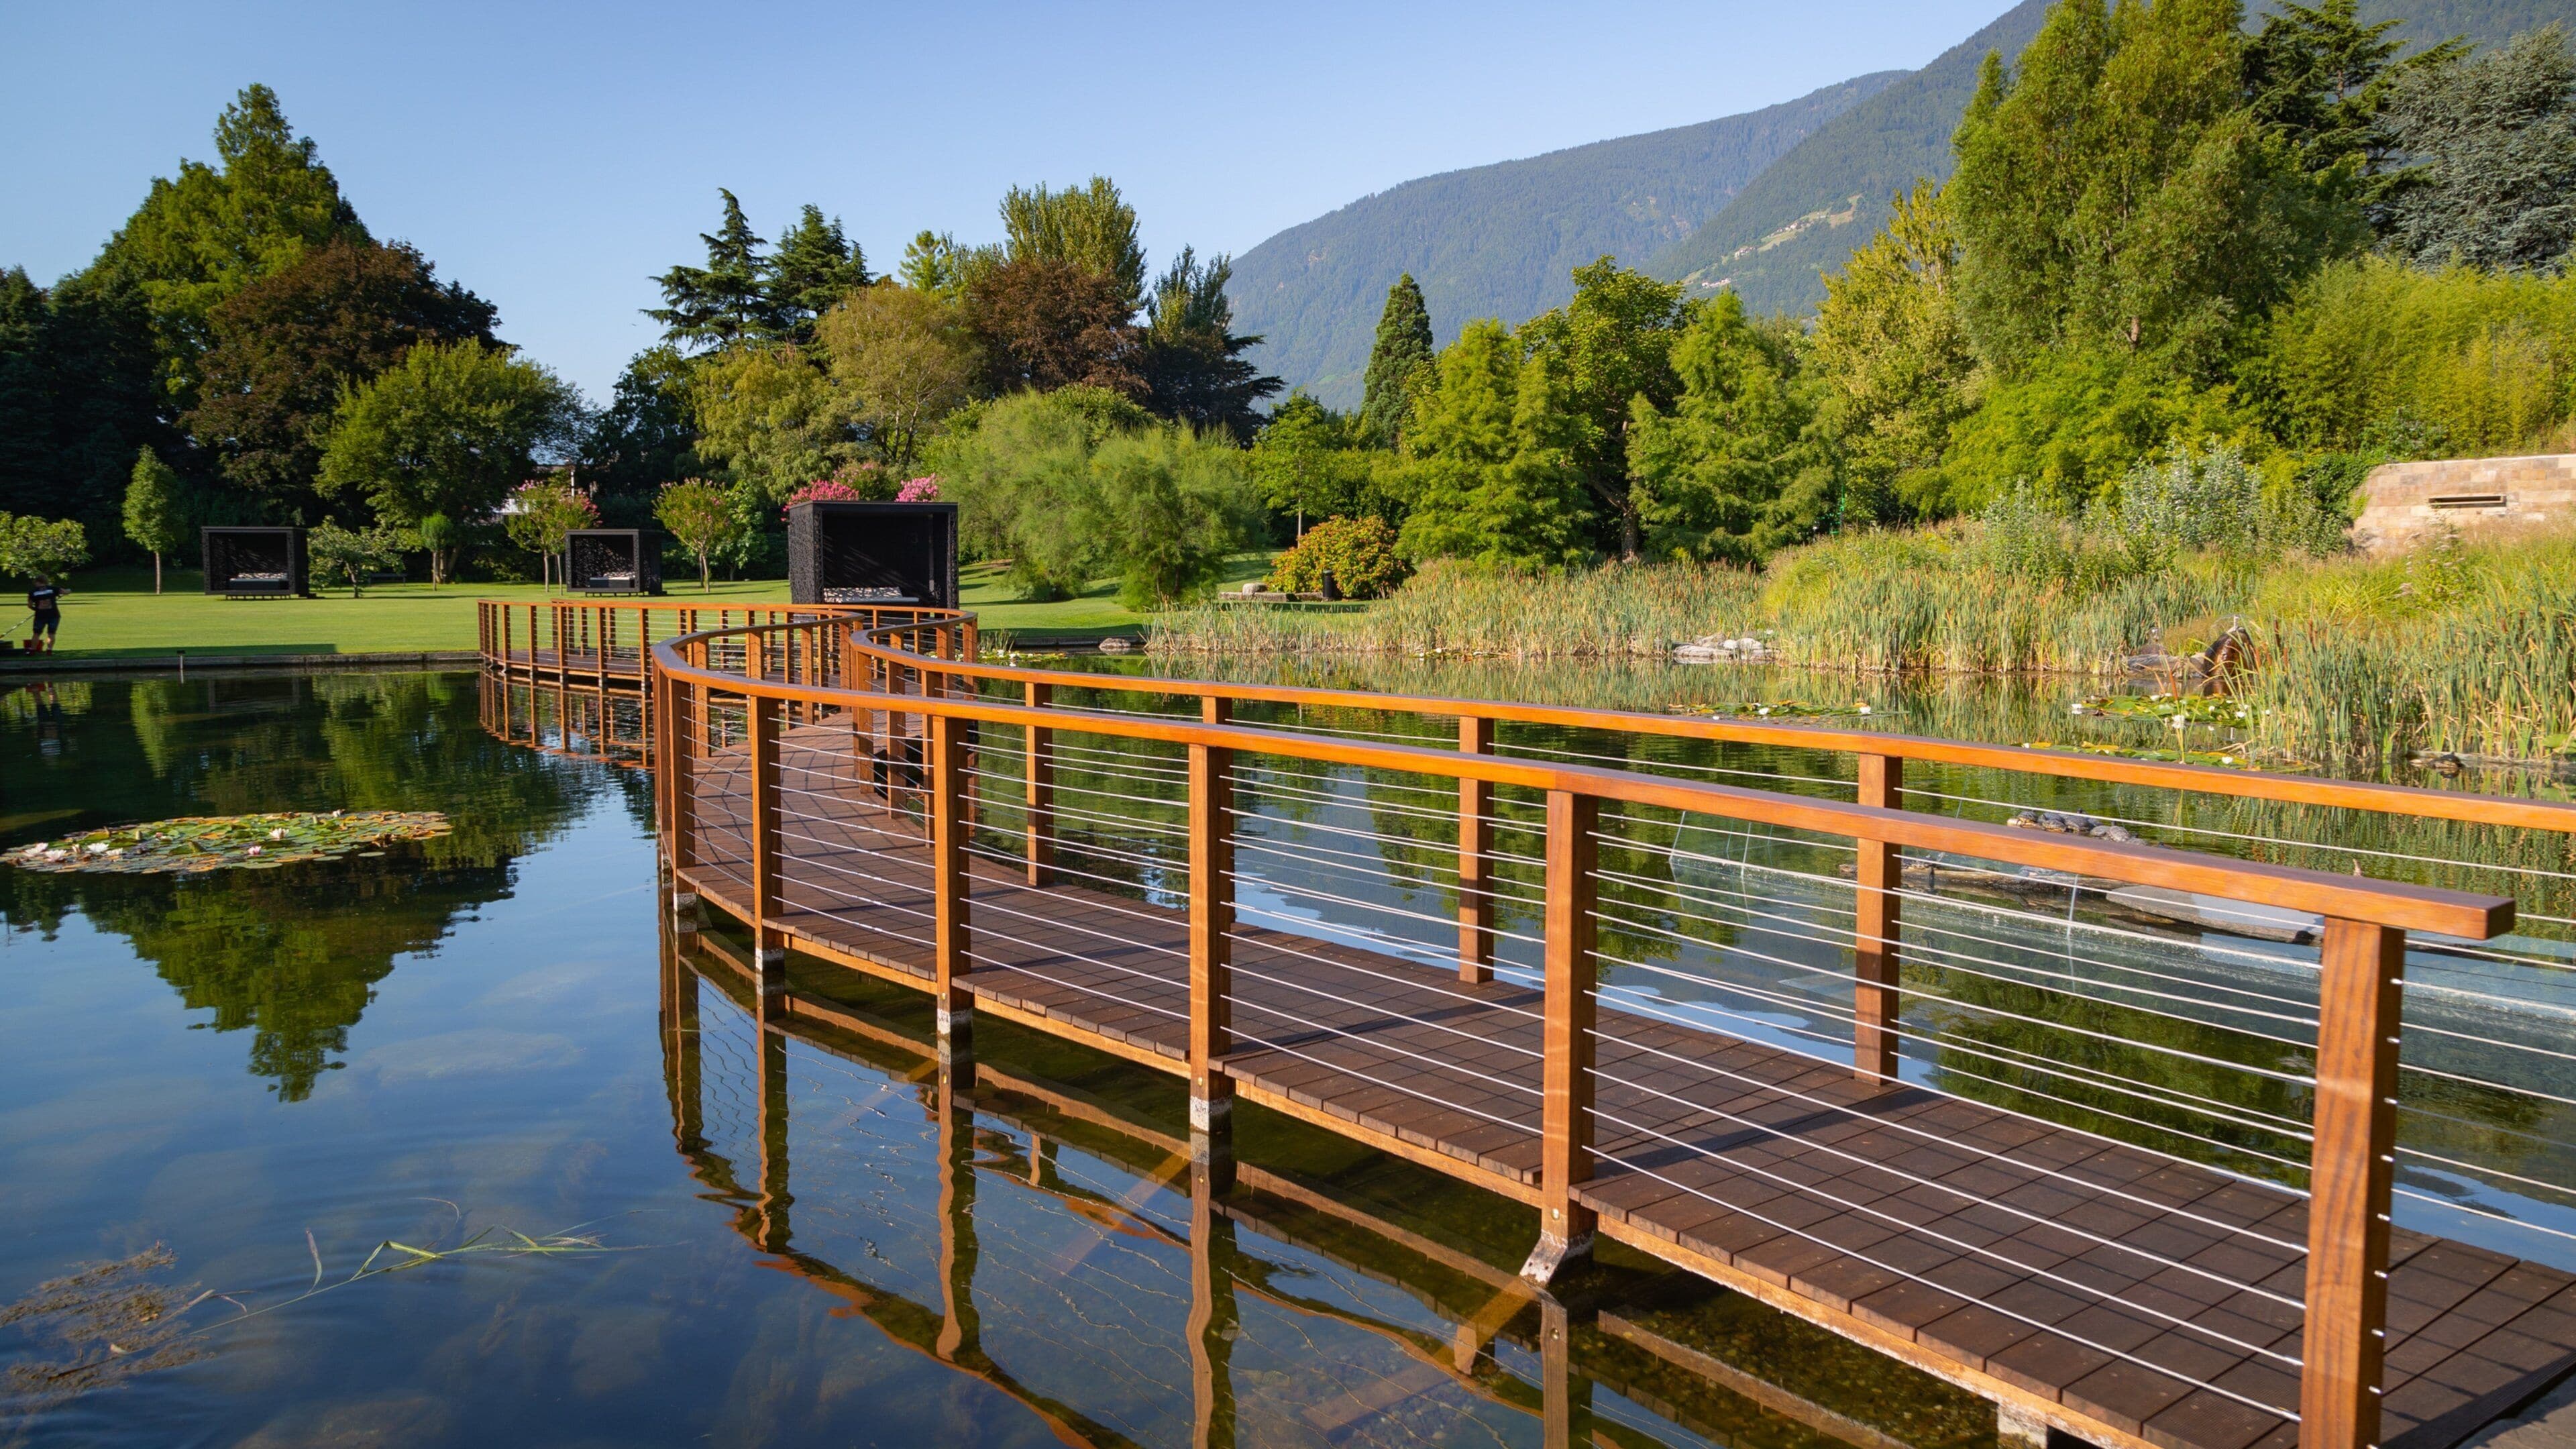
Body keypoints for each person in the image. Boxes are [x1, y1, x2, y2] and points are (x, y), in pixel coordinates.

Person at [25, 579, 64, 652]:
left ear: (37, 582)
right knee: (51, 633)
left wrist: (36, 609)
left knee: (36, 633)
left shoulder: (33, 592)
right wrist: (69, 591)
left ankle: (33, 650)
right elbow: (65, 592)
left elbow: (29, 605)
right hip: (54, 615)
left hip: (40, 616)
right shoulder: (53, 589)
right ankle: (49, 649)